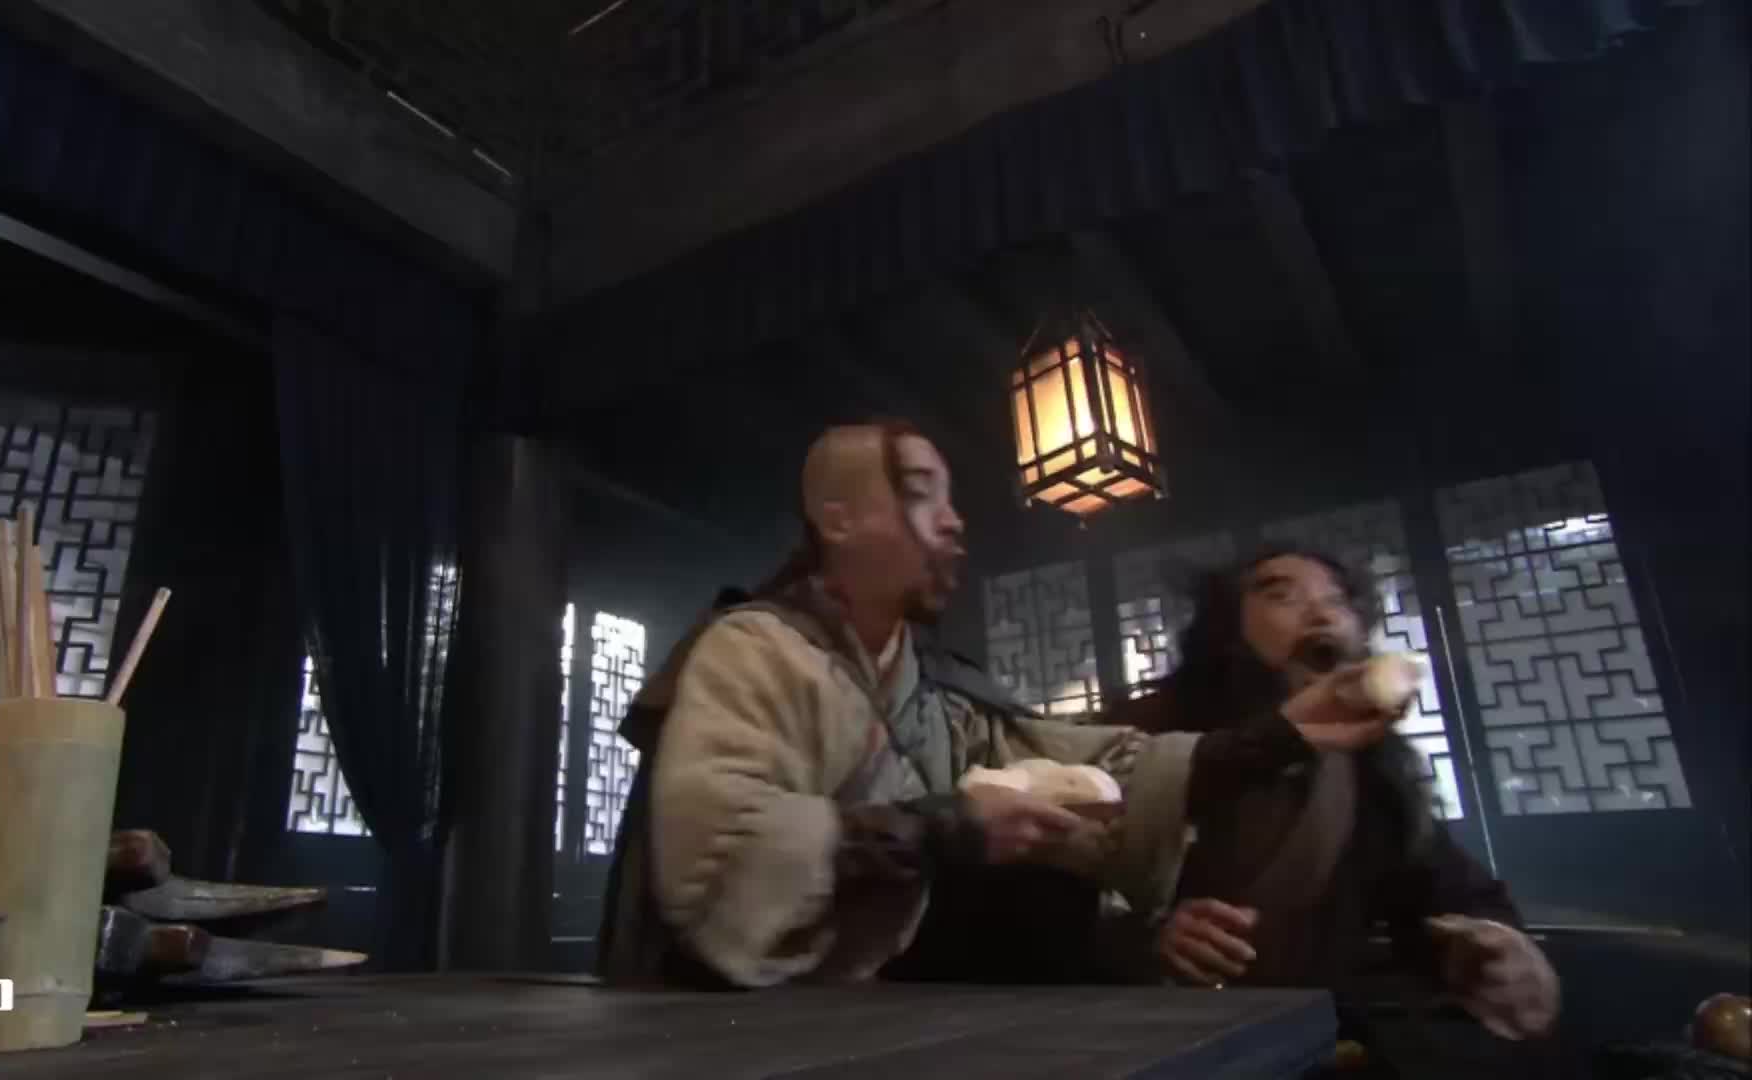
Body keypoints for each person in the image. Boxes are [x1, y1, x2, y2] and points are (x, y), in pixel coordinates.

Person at [596, 422, 1399, 988]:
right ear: (837, 519)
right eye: (922, 495)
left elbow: (1094, 766)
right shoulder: (754, 649)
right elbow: (722, 850)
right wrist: (950, 828)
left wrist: (1279, 735)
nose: (955, 521)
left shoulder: (942, 694)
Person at [1103, 548, 1561, 1070]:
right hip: (1144, 1041)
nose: (1321, 613)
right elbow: (1057, 888)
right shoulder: (1147, 736)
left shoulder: (1370, 770)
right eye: (1282, 595)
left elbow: (1447, 891)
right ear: (1227, 627)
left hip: (1308, 1042)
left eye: (1337, 601)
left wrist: (1497, 946)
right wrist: (1146, 935)